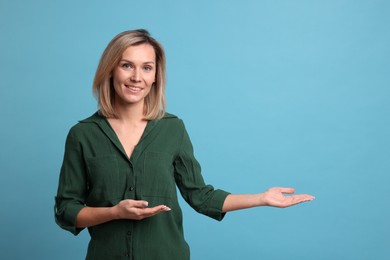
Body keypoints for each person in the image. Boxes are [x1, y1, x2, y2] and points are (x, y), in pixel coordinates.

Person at [54, 29, 314, 260]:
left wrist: (261, 198)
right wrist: (114, 213)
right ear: (110, 69)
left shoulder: (173, 129)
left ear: (156, 76)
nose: (136, 77)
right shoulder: (82, 135)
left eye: (147, 67)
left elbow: (201, 196)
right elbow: (66, 210)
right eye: (126, 65)